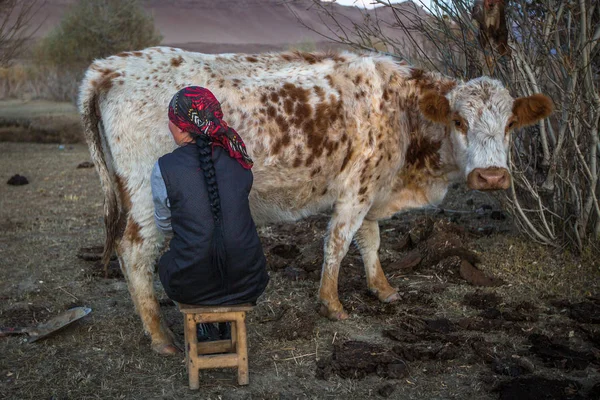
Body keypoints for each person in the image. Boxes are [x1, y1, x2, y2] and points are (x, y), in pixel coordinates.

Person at [151, 86, 269, 341]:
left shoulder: (164, 168)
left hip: (190, 284)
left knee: (167, 263)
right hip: (249, 278)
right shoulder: (239, 158)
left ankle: (204, 326)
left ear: (181, 127)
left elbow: (164, 226)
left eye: (170, 121)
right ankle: (226, 322)